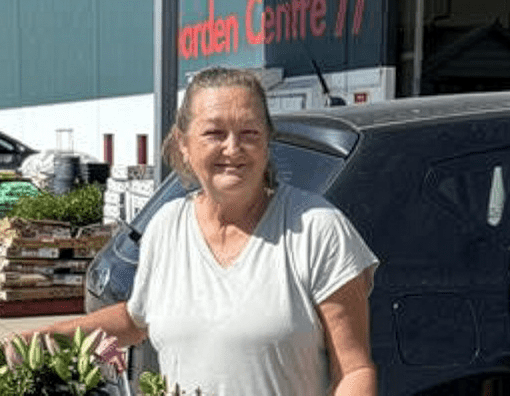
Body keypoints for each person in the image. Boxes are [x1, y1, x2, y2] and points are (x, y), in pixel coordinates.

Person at [24, 67, 379, 395]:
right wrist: (52, 335)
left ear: (267, 141)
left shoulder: (318, 230)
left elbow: (354, 371)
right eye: (214, 133)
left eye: (249, 133)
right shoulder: (166, 225)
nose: (233, 148)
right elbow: (137, 318)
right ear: (184, 143)